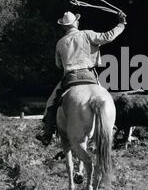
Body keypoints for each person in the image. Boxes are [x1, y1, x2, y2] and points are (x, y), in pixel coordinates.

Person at [36, 10, 127, 146]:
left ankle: (47, 133)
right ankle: (111, 126)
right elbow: (108, 36)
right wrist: (121, 24)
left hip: (70, 78)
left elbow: (58, 65)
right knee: (106, 97)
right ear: (76, 23)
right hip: (90, 76)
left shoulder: (60, 43)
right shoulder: (87, 34)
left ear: (63, 26)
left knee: (51, 103)